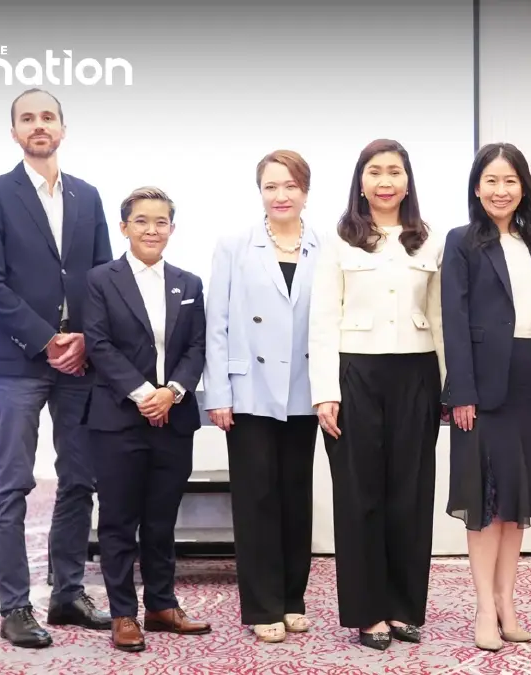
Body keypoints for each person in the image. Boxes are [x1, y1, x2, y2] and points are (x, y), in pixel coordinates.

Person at [0, 87, 112, 648]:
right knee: (13, 484)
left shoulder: (88, 195)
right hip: (18, 362)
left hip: (80, 363)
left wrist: (82, 339)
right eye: (27, 118)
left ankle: (68, 593)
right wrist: (45, 338)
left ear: (62, 128)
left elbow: (102, 276)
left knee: (80, 479)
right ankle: (15, 606)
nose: (38, 125)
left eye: (47, 116)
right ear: (14, 133)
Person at [308, 139, 446, 651]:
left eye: (394, 171)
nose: (385, 180)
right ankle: (368, 614)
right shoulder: (338, 240)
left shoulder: (428, 240)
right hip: (354, 375)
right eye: (375, 171)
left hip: (416, 374)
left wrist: (449, 385)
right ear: (360, 182)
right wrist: (325, 391)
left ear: (407, 181)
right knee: (359, 495)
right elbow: (323, 319)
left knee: (410, 494)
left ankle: (404, 608)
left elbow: (438, 318)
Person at [441, 143, 531, 651]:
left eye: (509, 181)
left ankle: (507, 601)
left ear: (523, 187)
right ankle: (483, 610)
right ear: (476, 187)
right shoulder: (461, 242)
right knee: (484, 502)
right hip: (481, 388)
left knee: (515, 504)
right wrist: (461, 391)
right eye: (490, 180)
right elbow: (453, 318)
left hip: (530, 384)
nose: (500, 190)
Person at [83, 186, 211, 652]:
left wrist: (172, 392)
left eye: (161, 222)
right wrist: (144, 395)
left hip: (173, 419)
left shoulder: (190, 283)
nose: (152, 229)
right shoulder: (101, 280)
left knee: (161, 520)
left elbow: (198, 346)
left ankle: (161, 604)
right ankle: (123, 613)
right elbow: (98, 345)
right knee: (118, 520)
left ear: (172, 230)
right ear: (124, 227)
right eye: (142, 221)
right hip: (119, 418)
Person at [203, 150, 321, 643]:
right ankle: (262, 606)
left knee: (297, 497)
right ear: (260, 192)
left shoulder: (325, 245)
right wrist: (218, 392)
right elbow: (217, 323)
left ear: (305, 191)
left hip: (305, 389)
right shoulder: (235, 245)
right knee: (257, 499)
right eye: (271, 186)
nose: (281, 196)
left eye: (290, 186)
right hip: (248, 391)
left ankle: (293, 598)